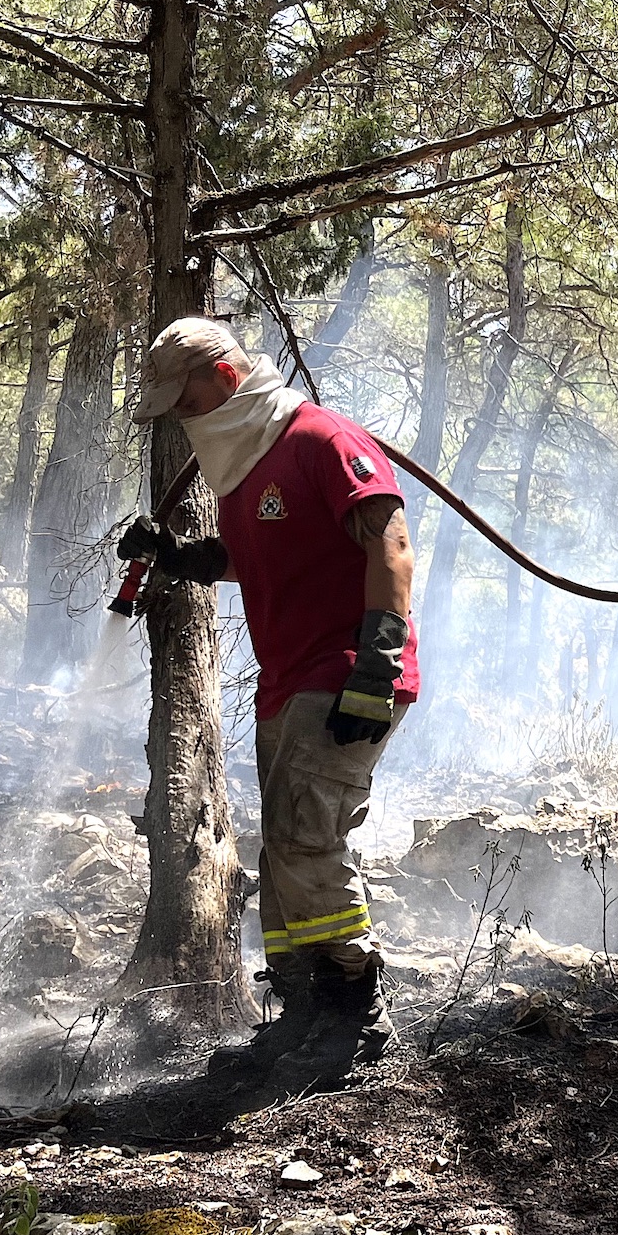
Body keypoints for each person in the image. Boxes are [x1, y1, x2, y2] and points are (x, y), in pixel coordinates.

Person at [118, 317, 418, 1069]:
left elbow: (390, 542)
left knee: (308, 841)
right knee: (282, 848)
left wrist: (375, 668)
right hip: (290, 682)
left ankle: (357, 1010)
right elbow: (261, 560)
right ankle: (302, 1005)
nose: (180, 418)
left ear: (221, 377)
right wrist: (179, 557)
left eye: (180, 399)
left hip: (345, 672)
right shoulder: (247, 470)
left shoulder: (317, 439)